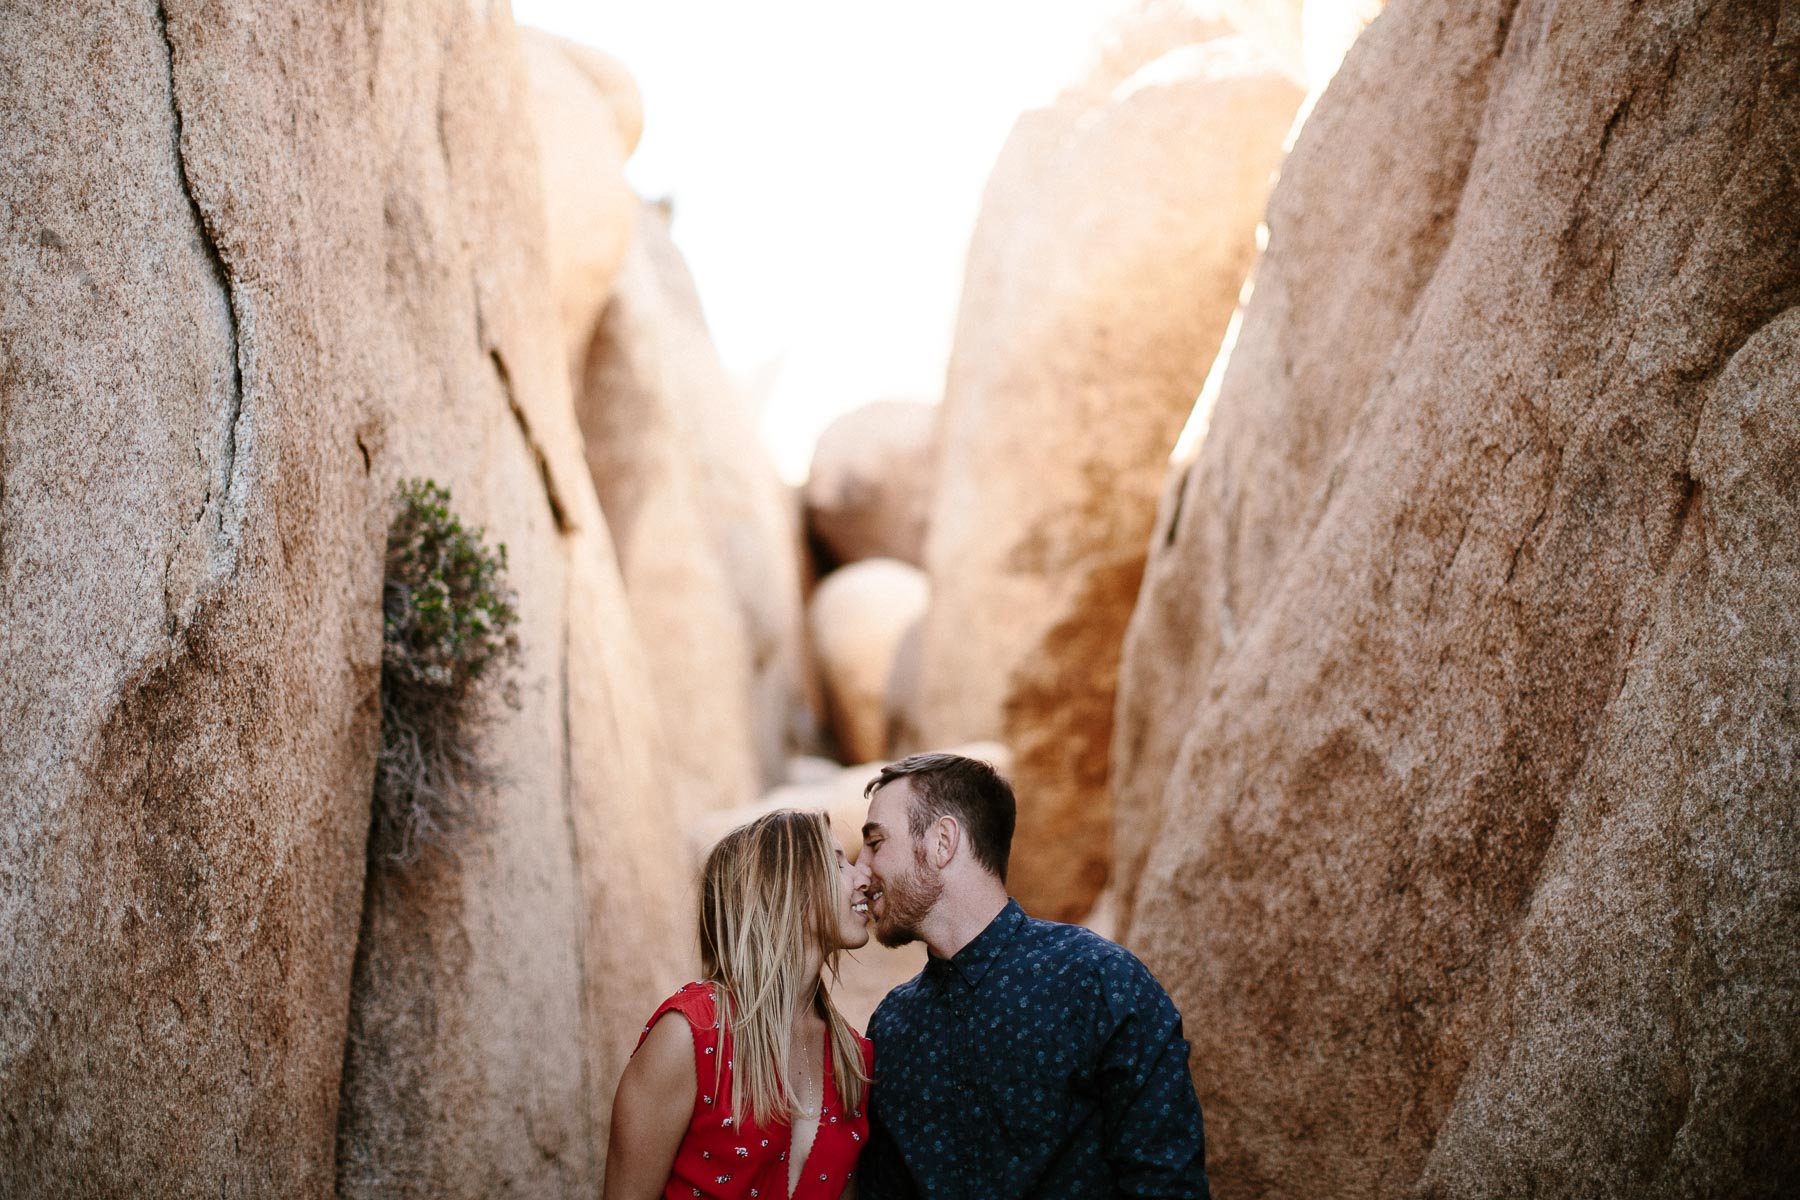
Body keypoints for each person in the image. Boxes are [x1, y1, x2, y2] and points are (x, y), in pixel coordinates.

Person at [852, 752, 1209, 1199]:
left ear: (942, 842)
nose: (860, 870)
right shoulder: (892, 1026)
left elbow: (1168, 1183)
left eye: (875, 843)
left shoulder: (1100, 981)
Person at [603, 810, 876, 1200]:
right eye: (837, 863)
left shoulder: (854, 1058)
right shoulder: (690, 1036)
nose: (863, 879)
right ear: (786, 887)